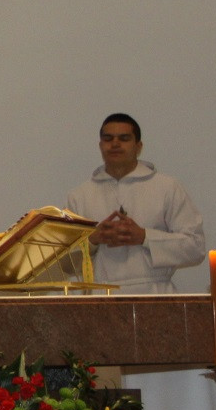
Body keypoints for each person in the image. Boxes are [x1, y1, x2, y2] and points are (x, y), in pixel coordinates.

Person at [65, 114, 205, 294]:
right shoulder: (80, 196)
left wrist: (144, 237)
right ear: (100, 146)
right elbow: (64, 264)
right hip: (101, 293)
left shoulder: (167, 187)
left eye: (124, 138)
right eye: (108, 139)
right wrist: (93, 239)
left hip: (154, 292)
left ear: (138, 147)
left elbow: (195, 247)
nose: (115, 144)